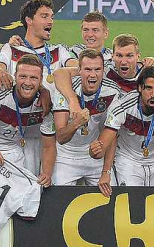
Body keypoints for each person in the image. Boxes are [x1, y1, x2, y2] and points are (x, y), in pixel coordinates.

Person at [0, 55, 57, 185]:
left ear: (41, 80)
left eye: (33, 78)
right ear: (15, 76)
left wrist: (47, 173)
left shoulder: (45, 105)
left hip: (14, 151)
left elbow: (49, 146)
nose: (27, 82)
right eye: (23, 76)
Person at [96, 67, 154, 192]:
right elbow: (109, 139)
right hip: (128, 161)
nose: (153, 94)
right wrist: (105, 171)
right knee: (131, 198)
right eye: (148, 88)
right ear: (140, 88)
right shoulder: (122, 106)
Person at [52, 50, 122, 186]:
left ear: (103, 70)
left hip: (95, 154)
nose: (93, 74)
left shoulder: (113, 92)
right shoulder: (65, 89)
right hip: (66, 156)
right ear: (79, 70)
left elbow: (112, 134)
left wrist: (106, 172)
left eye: (97, 69)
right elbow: (61, 138)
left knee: (109, 194)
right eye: (88, 69)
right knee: (59, 196)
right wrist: (76, 123)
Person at [0, 0, 72, 90]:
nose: (50, 21)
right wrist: (0, 71)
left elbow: (76, 66)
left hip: (52, 100)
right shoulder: (11, 48)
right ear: (29, 20)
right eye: (44, 16)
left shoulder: (58, 50)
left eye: (52, 17)